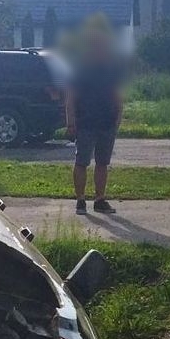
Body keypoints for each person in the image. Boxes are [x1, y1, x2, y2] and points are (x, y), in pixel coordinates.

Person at [65, 27, 125, 215]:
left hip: (107, 122)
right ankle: (80, 200)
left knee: (102, 163)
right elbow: (71, 98)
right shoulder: (80, 70)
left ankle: (99, 200)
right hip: (85, 123)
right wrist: (71, 122)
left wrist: (118, 119)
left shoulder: (111, 70)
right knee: (82, 162)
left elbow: (117, 96)